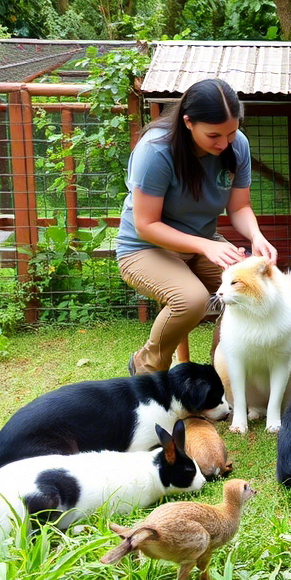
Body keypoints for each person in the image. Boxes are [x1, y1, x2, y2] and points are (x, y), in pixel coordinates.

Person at [118, 78, 276, 376]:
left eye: (231, 132)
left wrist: (256, 236)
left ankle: (220, 377)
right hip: (145, 247)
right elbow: (146, 224)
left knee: (247, 290)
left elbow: (239, 207)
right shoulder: (156, 150)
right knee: (191, 300)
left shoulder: (236, 146)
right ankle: (146, 369)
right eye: (214, 135)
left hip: (202, 242)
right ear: (188, 123)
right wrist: (206, 245)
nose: (224, 143)